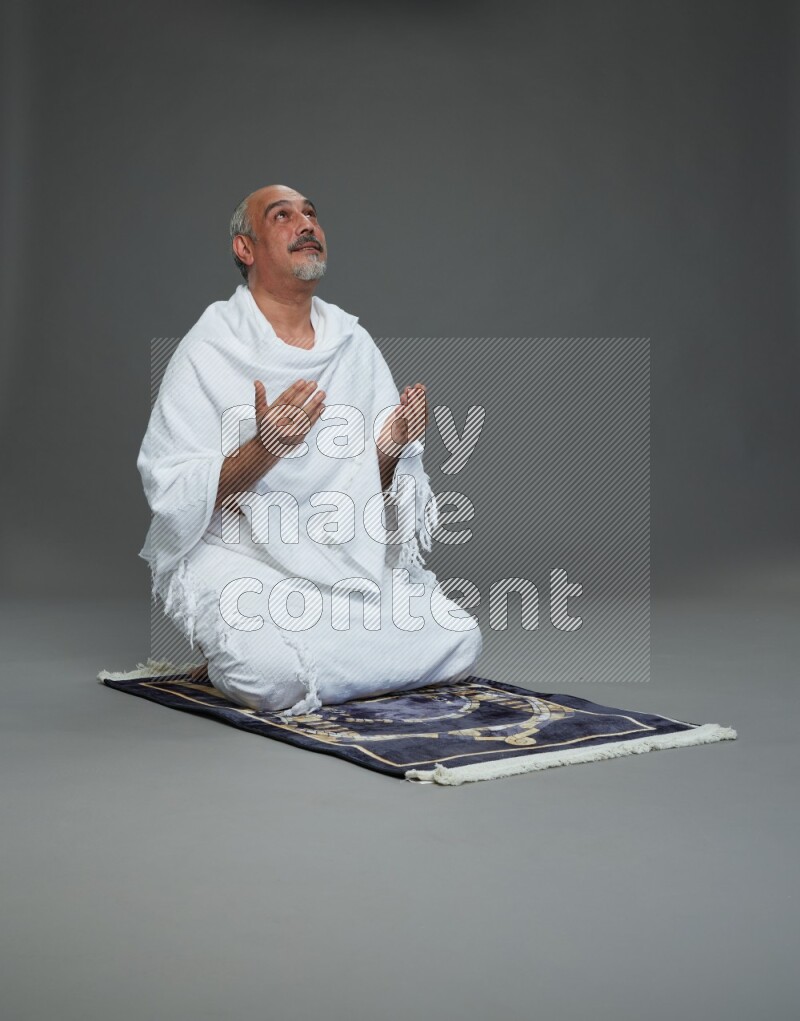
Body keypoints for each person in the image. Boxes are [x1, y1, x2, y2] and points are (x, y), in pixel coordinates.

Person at [137, 184, 482, 716]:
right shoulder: (209, 346)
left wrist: (390, 445)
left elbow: (361, 492)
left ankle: (318, 660)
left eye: (312, 215)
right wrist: (265, 449)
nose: (306, 225)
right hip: (237, 555)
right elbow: (172, 488)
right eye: (282, 216)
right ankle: (284, 657)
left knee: (459, 635)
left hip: (331, 558)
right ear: (244, 249)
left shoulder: (351, 343)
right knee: (271, 676)